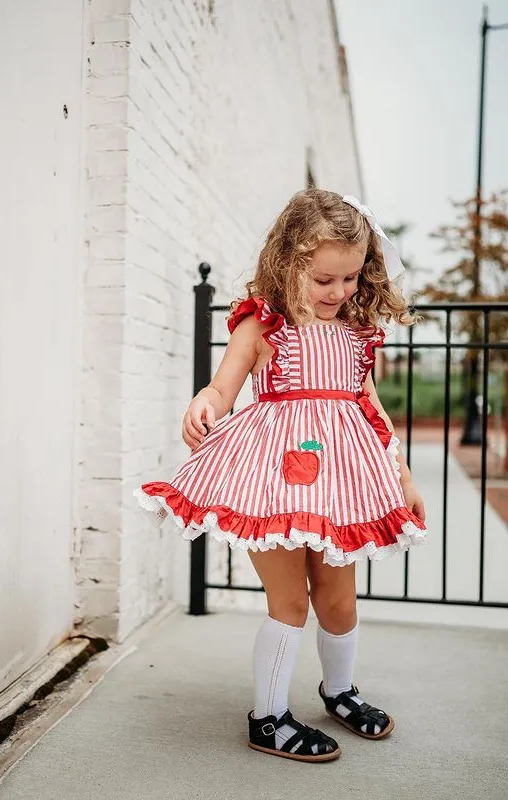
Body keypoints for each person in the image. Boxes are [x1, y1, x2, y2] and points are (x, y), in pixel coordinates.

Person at [135, 188, 427, 763]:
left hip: (339, 487)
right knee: (290, 601)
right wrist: (205, 404)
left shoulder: (357, 331)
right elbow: (224, 387)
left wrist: (403, 476)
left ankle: (338, 690)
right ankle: (267, 719)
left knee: (339, 601)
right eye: (324, 280)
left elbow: (371, 409)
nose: (339, 292)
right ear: (289, 261)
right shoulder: (261, 325)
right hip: (271, 481)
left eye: (349, 278)